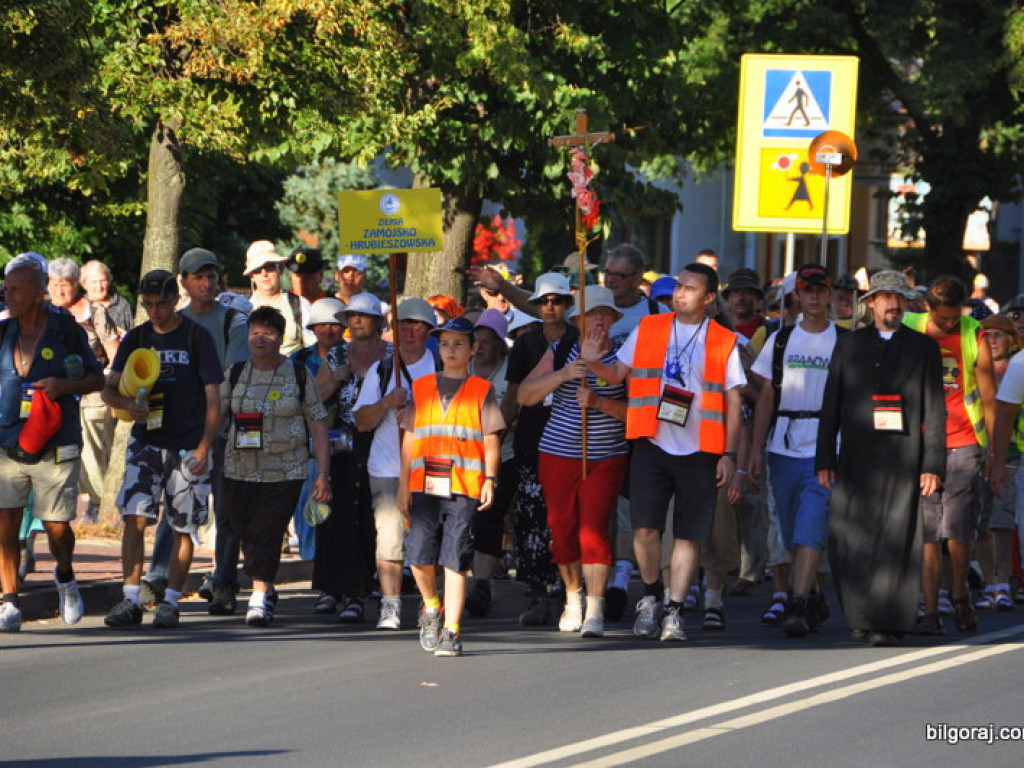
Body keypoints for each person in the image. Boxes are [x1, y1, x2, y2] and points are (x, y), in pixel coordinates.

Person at [583, 263, 745, 642]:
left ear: (708, 299)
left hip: (701, 449)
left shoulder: (722, 340)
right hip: (652, 442)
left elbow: (734, 401)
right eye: (679, 286)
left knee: (688, 535)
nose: (680, 293)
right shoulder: (651, 328)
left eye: (690, 289)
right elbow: (616, 375)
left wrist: (730, 454)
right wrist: (592, 359)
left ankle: (674, 610)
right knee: (644, 530)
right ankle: (652, 595)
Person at [816, 270, 946, 646]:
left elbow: (935, 411)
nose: (894, 304)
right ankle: (859, 614)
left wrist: (932, 464)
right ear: (870, 302)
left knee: (896, 540)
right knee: (847, 538)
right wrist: (824, 457)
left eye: (900, 298)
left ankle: (889, 621)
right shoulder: (849, 345)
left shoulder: (924, 348)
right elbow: (831, 404)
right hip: (855, 457)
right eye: (886, 297)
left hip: (903, 458)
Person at [102, 270, 223, 629]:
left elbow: (214, 400)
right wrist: (126, 401)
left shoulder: (195, 336)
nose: (155, 311)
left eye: (162, 304)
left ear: (176, 300)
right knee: (134, 518)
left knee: (183, 526)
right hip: (147, 441)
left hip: (187, 445)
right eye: (149, 305)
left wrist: (203, 447)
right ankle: (129, 600)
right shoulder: (137, 337)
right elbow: (108, 390)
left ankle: (171, 601)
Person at [0, 255, 104, 632]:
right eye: (5, 288)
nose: (7, 295)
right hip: (8, 439)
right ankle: (9, 600)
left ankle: (65, 575)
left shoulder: (64, 330)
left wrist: (64, 387)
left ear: (37, 291)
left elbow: (97, 379)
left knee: (56, 524)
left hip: (55, 442)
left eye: (15, 289)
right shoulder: (3, 330)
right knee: (6, 521)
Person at [145, 247, 251, 614]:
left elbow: (229, 379)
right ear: (183, 282)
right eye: (199, 277)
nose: (207, 283)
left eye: (212, 276)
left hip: (221, 431)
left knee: (226, 510)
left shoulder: (232, 321)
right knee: (172, 510)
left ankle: (223, 583)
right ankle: (157, 579)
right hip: (175, 431)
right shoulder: (173, 322)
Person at [519, 286, 628, 638]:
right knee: (562, 528)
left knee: (594, 530)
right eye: (591, 314)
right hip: (558, 454)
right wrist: (563, 375)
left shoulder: (627, 356)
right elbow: (526, 395)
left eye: (605, 313)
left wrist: (600, 403)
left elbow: (639, 414)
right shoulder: (561, 350)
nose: (599, 319)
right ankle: (572, 597)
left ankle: (595, 606)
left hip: (605, 456)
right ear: (578, 321)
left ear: (613, 319)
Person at [398, 316, 503, 657]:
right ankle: (431, 605)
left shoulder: (482, 390)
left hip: (464, 485)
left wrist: (490, 479)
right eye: (445, 344)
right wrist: (402, 484)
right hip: (424, 484)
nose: (451, 350)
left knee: (455, 559)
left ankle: (452, 631)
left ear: (473, 349)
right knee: (417, 554)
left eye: (459, 343)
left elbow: (490, 439)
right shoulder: (421, 386)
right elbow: (410, 437)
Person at [222, 306, 332, 626]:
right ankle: (267, 586)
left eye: (268, 332)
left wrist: (322, 474)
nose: (260, 338)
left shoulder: (297, 374)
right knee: (246, 531)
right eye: (255, 331)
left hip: (286, 468)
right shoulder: (236, 371)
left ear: (280, 338)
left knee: (267, 530)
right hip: (239, 467)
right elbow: (214, 411)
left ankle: (257, 598)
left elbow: (318, 424)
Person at [749, 264, 840, 637]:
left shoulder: (844, 341)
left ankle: (798, 604)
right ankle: (813, 593)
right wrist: (755, 450)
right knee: (789, 532)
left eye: (821, 289)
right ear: (796, 296)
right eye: (807, 290)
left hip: (824, 447)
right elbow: (766, 397)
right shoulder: (781, 340)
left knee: (809, 529)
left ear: (829, 294)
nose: (814, 296)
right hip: (783, 445)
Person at [904, 275, 995, 635]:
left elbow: (988, 396)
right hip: (920, 443)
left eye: (954, 317)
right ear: (928, 307)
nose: (948, 324)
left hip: (963, 441)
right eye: (942, 319)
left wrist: (991, 452)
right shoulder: (910, 326)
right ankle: (929, 609)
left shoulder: (974, 333)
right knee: (927, 531)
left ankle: (958, 594)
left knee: (956, 529)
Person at [353, 297, 439, 630]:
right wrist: (387, 402)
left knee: (428, 537)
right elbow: (361, 420)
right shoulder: (382, 369)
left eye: (417, 324)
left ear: (428, 330)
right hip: (387, 465)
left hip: (432, 465)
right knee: (388, 536)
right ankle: (390, 606)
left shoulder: (441, 367)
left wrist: (420, 410)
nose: (410, 331)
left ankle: (431, 603)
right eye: (403, 324)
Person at [504, 273, 578, 624]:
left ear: (567, 304)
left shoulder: (579, 340)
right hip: (531, 441)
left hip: (571, 441)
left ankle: (569, 593)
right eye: (544, 301)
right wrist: (500, 430)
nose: (550, 307)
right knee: (531, 519)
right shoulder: (526, 343)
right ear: (535, 305)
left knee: (566, 519)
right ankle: (536, 594)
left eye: (557, 300)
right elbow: (512, 393)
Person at [313, 292, 390, 622]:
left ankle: (359, 590)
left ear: (377, 321)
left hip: (380, 441)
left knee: (368, 516)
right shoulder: (336, 356)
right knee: (335, 512)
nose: (356, 321)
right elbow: (314, 399)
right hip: (341, 443)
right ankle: (332, 587)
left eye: (364, 315)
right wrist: (335, 379)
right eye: (351, 316)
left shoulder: (390, 357)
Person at [465, 308, 518, 617]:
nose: (480, 346)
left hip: (503, 457)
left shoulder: (511, 372)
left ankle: (482, 584)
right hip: (462, 460)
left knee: (489, 519)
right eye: (477, 340)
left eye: (487, 340)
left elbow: (518, 414)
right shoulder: (462, 368)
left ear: (501, 343)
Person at [289, 297, 346, 567]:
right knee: (309, 504)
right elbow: (296, 404)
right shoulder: (297, 361)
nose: (329, 330)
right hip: (307, 446)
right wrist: (333, 382)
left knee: (344, 510)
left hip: (347, 442)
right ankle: (313, 564)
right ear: (312, 328)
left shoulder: (358, 355)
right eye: (322, 325)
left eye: (335, 324)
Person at [78, 260, 133, 521]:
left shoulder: (121, 305)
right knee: (90, 450)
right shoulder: (82, 309)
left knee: (108, 446)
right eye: (93, 282)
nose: (100, 285)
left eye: (102, 280)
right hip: (88, 387)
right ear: (84, 285)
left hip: (113, 380)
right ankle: (94, 502)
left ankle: (109, 501)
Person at [974, 315, 1019, 611]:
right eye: (986, 335)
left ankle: (1003, 582)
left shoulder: (1017, 367)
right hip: (977, 451)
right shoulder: (976, 370)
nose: (991, 340)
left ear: (1012, 340)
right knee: (981, 523)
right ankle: (988, 582)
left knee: (1002, 522)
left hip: (1012, 454)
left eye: (998, 335)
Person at [245, 240, 314, 355]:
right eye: (257, 270)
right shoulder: (241, 307)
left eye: (269, 267)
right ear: (251, 276)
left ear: (280, 269)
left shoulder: (299, 305)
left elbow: (313, 350)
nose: (264, 274)